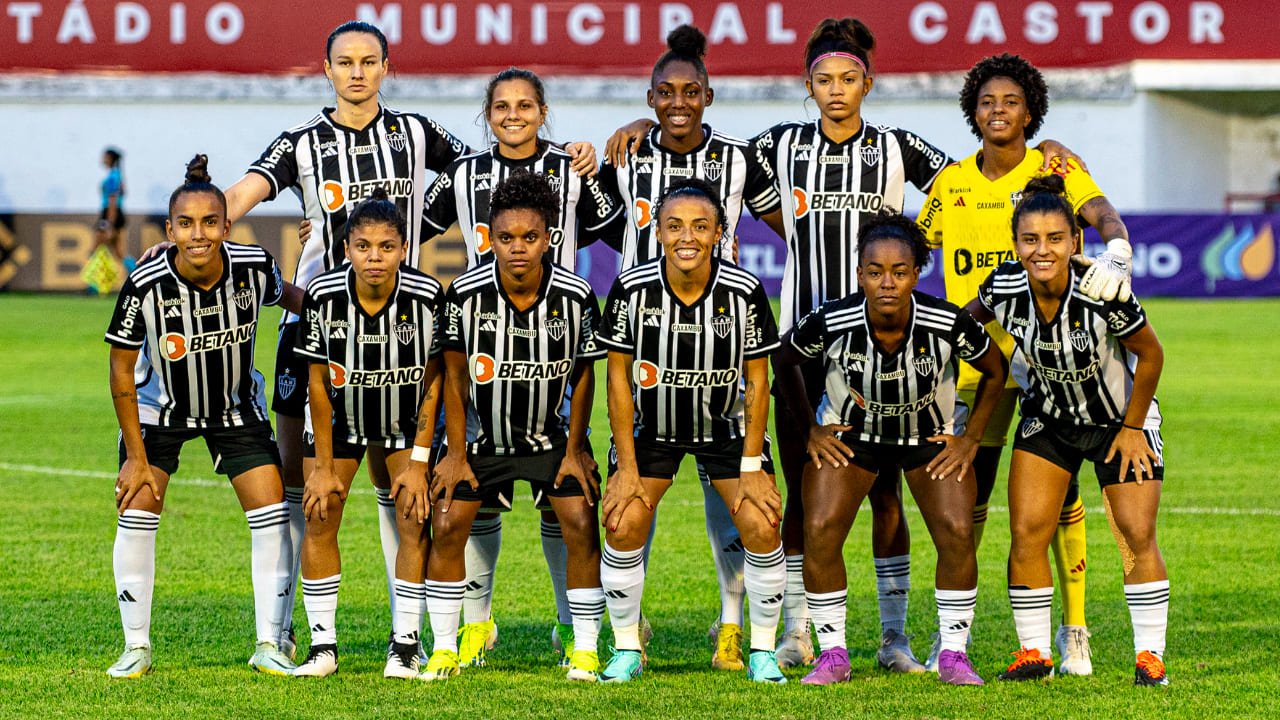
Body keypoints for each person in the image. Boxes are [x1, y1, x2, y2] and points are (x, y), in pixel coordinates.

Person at [148, 20, 595, 657]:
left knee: (405, 485)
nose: (357, 73)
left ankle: (405, 637)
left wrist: (576, 151)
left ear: (386, 67)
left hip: (404, 335)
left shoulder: (415, 133)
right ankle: (282, 635)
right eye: (344, 62)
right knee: (300, 485)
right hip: (317, 326)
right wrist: (200, 225)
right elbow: (244, 191)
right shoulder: (300, 141)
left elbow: (494, 164)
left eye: (368, 62)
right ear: (325, 70)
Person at [915, 53, 1136, 674]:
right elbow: (913, 245)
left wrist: (1117, 247)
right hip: (972, 362)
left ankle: (1074, 629)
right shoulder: (952, 182)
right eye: (987, 102)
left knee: (1058, 497)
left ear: (1031, 110)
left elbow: (1104, 214)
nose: (998, 111)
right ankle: (952, 635)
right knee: (967, 495)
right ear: (972, 112)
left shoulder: (1058, 169)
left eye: (1011, 101)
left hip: (1050, 360)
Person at [420, 67, 623, 668]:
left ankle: (577, 636)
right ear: (488, 114)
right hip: (486, 369)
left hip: (550, 364)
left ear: (543, 110)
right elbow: (406, 229)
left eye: (525, 105)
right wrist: (329, 242)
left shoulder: (572, 169)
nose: (513, 115)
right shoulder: (462, 175)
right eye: (501, 105)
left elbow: (623, 229)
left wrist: (604, 161)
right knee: (464, 507)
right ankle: (468, 631)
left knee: (571, 510)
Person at [598, 24, 784, 671]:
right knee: (624, 514)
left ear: (707, 94)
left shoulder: (739, 161)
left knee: (747, 514)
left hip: (721, 394)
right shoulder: (627, 156)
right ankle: (628, 639)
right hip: (654, 391)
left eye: (691, 91)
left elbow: (792, 225)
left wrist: (757, 462)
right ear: (651, 97)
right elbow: (577, 207)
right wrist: (621, 463)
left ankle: (742, 636)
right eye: (665, 93)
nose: (679, 102)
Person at [773, 211, 1006, 686]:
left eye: (899, 272)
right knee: (818, 525)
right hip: (854, 439)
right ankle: (833, 653)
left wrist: (971, 438)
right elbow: (784, 358)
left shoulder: (947, 321)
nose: (887, 283)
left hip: (927, 439)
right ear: (859, 273)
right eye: (875, 272)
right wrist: (811, 429)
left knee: (959, 530)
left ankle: (954, 655)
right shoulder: (831, 319)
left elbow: (996, 369)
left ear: (916, 273)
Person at [104, 154, 302, 679]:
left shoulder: (254, 268)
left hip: (234, 409)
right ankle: (136, 647)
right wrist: (136, 458)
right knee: (138, 509)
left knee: (272, 510)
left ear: (226, 225)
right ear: (170, 230)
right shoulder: (144, 284)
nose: (199, 234)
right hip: (158, 411)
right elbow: (121, 372)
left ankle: (270, 643)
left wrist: (341, 294)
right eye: (186, 224)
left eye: (210, 222)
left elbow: (294, 298)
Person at [965, 175, 1168, 686]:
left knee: (1135, 533)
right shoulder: (1004, 286)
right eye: (1030, 240)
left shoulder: (1102, 289)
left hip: (1118, 420)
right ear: (1015, 244)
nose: (1042, 250)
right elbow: (959, 327)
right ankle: (1034, 652)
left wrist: (1132, 428)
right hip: (1051, 417)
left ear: (1074, 242)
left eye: (1055, 238)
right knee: (1026, 531)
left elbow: (1151, 353)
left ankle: (1150, 658)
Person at [288, 188, 444, 679]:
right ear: (346, 248)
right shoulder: (324, 296)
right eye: (363, 246)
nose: (374, 257)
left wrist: (420, 461)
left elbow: (435, 382)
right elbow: (316, 383)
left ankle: (404, 645)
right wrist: (324, 468)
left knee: (413, 516)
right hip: (340, 422)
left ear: (403, 248)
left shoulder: (426, 296)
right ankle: (322, 647)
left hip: (402, 424)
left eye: (386, 246)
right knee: (320, 512)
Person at [83, 147, 131, 294]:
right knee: (120, 253)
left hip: (110, 215)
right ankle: (138, 277)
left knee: (95, 249)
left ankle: (94, 286)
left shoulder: (112, 178)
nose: (102, 159)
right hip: (116, 215)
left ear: (111, 159)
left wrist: (109, 224)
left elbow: (112, 201)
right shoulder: (118, 176)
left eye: (105, 157)